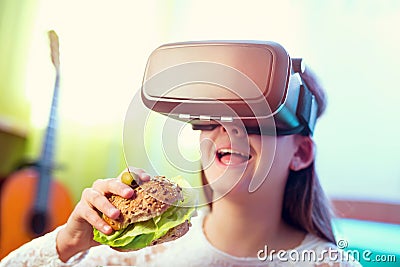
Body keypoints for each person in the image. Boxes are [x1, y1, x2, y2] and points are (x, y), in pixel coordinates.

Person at [0, 41, 361, 267]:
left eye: (253, 117)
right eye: (211, 116)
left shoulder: (331, 264)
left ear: (300, 153)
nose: (229, 130)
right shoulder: (141, 249)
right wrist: (65, 244)